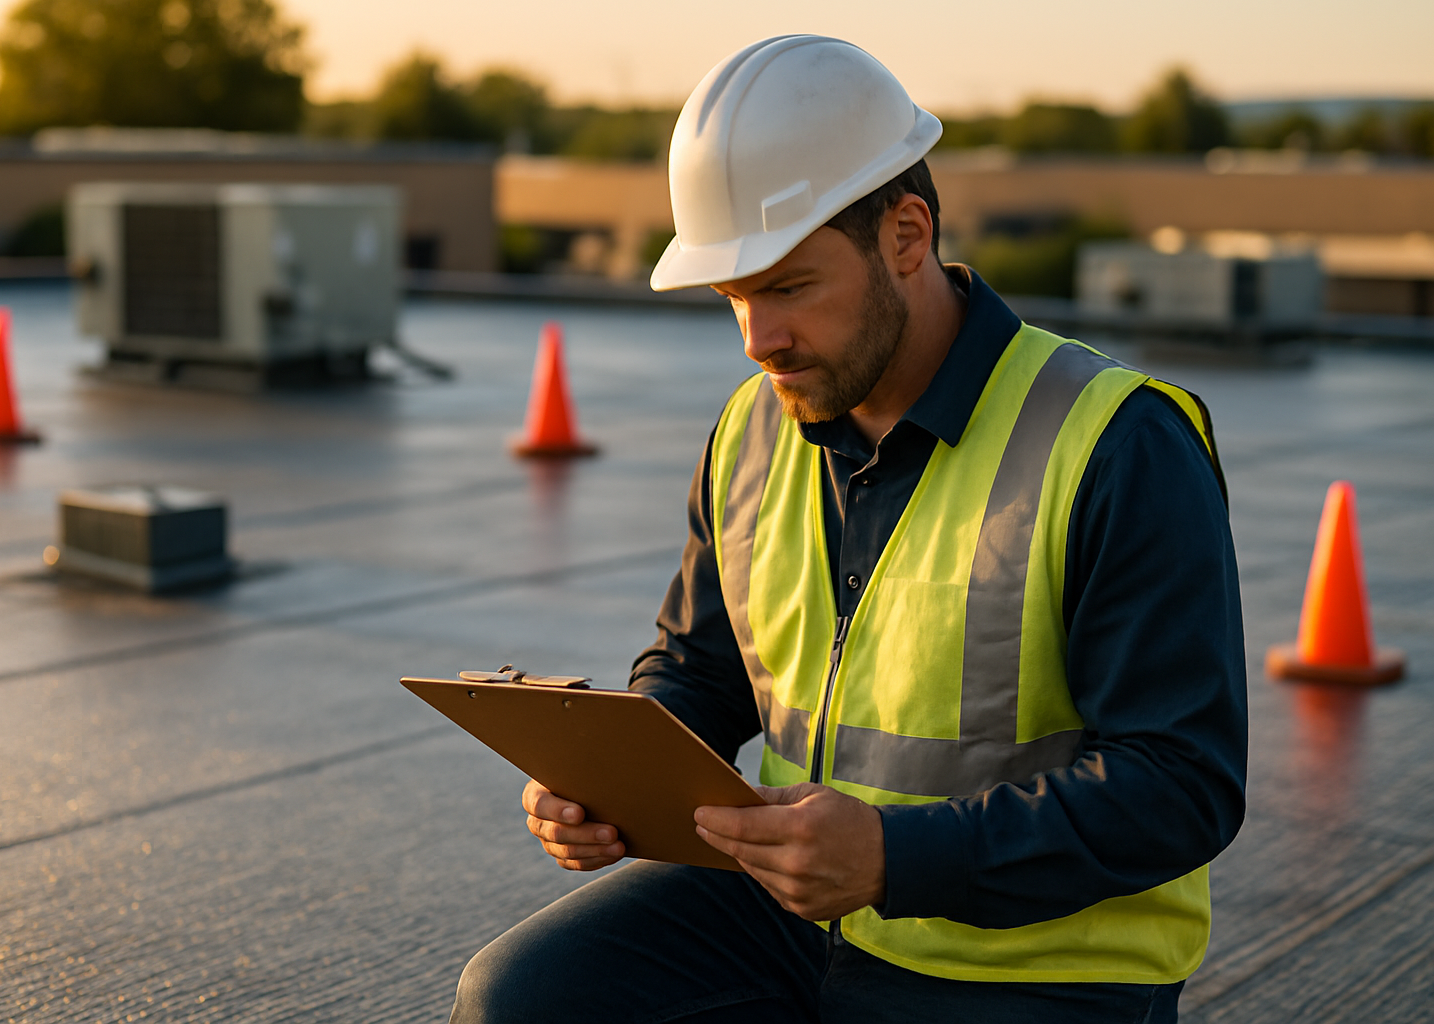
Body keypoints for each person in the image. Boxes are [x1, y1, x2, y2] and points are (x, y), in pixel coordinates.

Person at [451, 35, 1246, 1024]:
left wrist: (891, 858)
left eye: (787, 287)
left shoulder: (1116, 441)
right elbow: (700, 669)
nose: (756, 338)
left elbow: (1183, 784)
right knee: (520, 997)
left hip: (1035, 963)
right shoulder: (754, 426)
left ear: (905, 235)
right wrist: (614, 782)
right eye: (732, 296)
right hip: (797, 913)